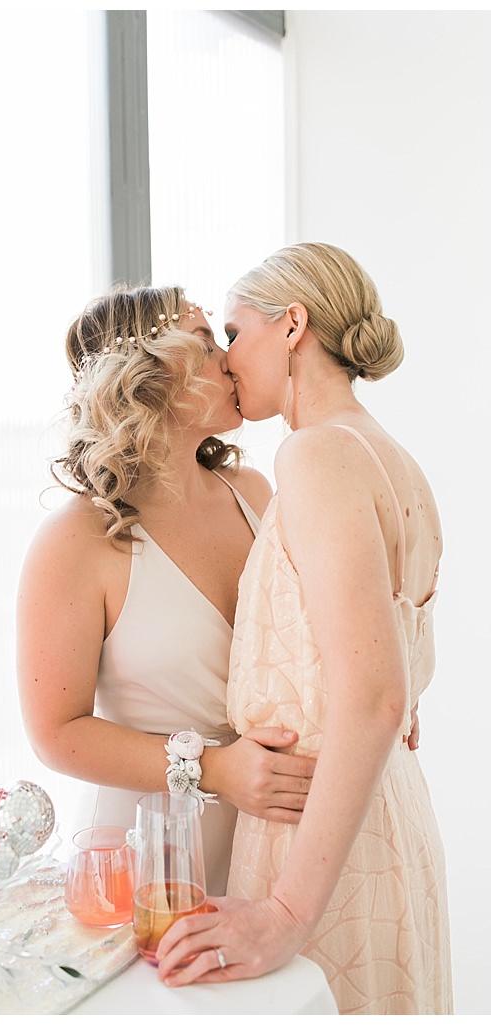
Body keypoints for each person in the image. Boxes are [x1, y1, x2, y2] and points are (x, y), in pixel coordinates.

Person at [155, 243, 453, 1014]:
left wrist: (287, 911)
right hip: (381, 819)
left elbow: (379, 695)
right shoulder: (394, 459)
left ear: (293, 325)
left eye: (233, 331)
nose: (225, 357)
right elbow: (399, 669)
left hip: (320, 839)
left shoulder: (315, 455)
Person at [16, 284, 317, 896]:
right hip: (146, 855)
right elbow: (57, 733)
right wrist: (216, 770)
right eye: (207, 342)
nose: (229, 358)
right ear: (148, 377)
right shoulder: (76, 540)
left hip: (277, 838)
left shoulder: (254, 493)